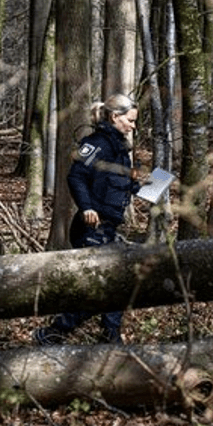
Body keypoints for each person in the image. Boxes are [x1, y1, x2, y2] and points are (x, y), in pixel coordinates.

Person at [34, 93, 140, 345]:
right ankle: (53, 333)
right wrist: (87, 207)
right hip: (91, 228)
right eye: (130, 120)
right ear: (115, 117)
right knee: (104, 288)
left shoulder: (120, 150)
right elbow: (76, 176)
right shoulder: (95, 144)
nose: (133, 126)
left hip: (109, 228)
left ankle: (109, 338)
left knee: (117, 284)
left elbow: (125, 186)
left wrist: (159, 186)